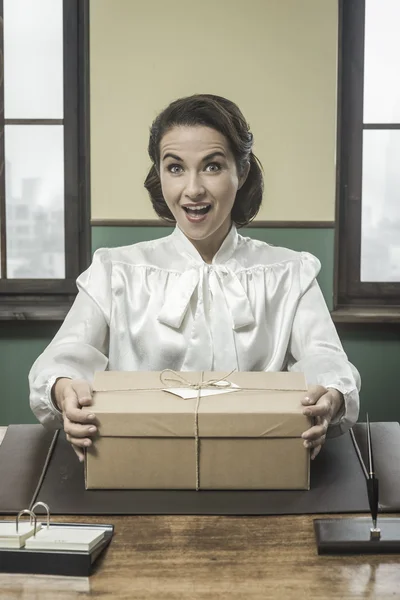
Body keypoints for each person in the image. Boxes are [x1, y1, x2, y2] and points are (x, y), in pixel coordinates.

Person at [29, 94, 360, 463]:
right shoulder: (115, 271)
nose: (193, 189)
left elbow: (324, 357)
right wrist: (62, 388)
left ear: (242, 171)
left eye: (212, 166)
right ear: (160, 174)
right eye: (175, 168)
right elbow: (61, 359)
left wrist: (330, 393)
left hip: (259, 468)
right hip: (136, 468)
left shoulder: (288, 273)